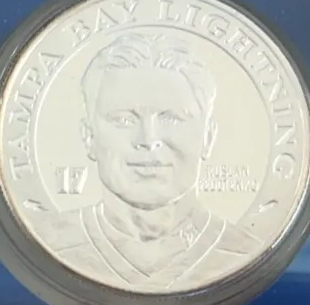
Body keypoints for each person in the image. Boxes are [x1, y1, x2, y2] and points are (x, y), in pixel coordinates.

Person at [39, 30, 260, 291]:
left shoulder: (243, 249)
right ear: (89, 136)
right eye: (124, 119)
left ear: (207, 137)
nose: (148, 139)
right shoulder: (53, 241)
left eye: (171, 118)